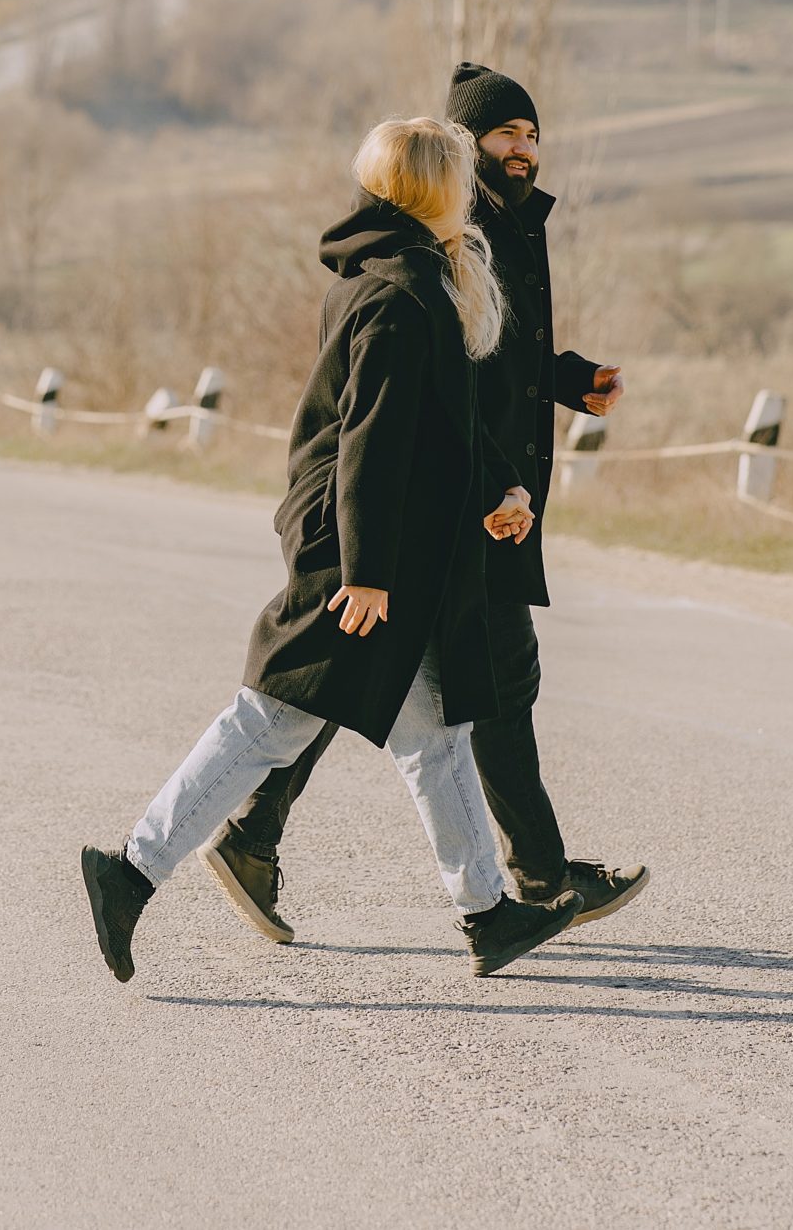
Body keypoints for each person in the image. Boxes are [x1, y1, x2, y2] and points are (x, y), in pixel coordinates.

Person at [79, 115, 585, 982]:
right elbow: (370, 445)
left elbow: (452, 423)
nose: (472, 191)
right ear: (431, 188)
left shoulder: (427, 276)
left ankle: (488, 913)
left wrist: (504, 490)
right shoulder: (395, 292)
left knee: (433, 732)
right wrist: (366, 576)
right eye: (460, 177)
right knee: (267, 722)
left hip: (392, 555)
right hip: (354, 553)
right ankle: (129, 872)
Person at [202, 63, 646, 947]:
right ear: (463, 145)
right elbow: (439, 381)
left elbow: (497, 351)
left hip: (488, 488)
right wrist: (492, 490)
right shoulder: (455, 226)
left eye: (532, 134)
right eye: (505, 134)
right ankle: (539, 880)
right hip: (465, 496)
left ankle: (256, 833)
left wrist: (567, 379)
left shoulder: (511, 222)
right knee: (484, 677)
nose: (522, 149)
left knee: (386, 671)